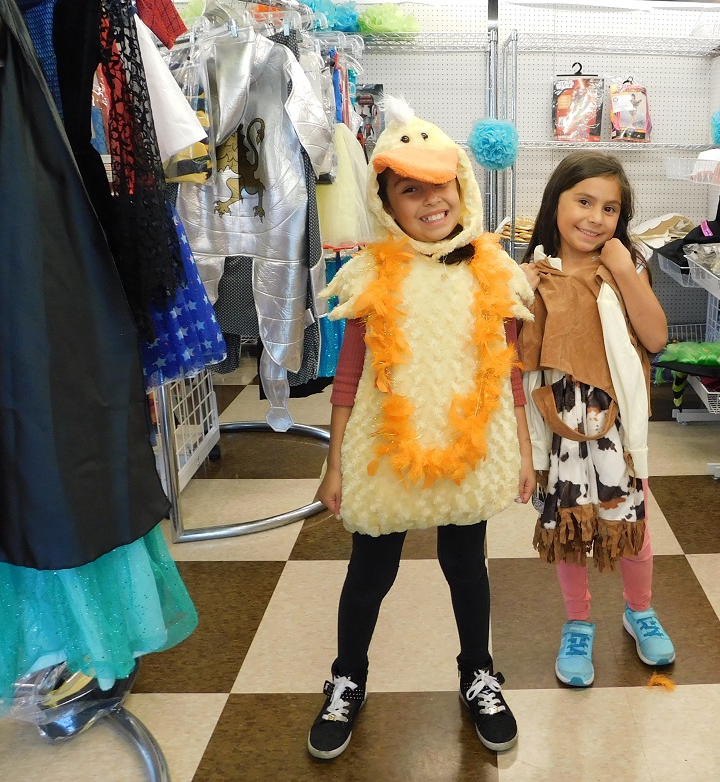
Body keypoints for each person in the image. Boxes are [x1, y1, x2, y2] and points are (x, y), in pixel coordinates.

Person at [308, 97, 535, 760]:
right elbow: (348, 377)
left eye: (442, 185)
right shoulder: (372, 276)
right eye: (411, 189)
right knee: (371, 568)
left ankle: (478, 673)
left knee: (467, 565)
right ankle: (348, 676)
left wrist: (522, 449)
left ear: (462, 187)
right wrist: (334, 463)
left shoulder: (496, 274)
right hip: (385, 446)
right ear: (386, 204)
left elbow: (509, 372)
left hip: (470, 443)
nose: (432, 201)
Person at [517, 151, 673, 688]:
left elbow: (655, 337)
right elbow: (511, 367)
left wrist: (625, 269)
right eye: (583, 201)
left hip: (617, 431)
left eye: (610, 208)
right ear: (554, 202)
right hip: (556, 431)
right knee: (570, 527)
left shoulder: (622, 270)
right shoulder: (530, 274)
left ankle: (639, 611)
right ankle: (578, 623)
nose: (595, 217)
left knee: (633, 525)